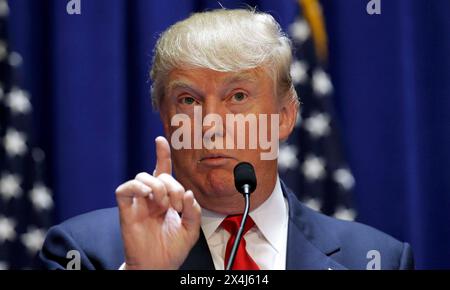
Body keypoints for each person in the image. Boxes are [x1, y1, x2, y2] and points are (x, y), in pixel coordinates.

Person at [38, 9, 414, 270]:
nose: (211, 124)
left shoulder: (375, 257)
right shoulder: (82, 251)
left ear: (285, 117)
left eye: (237, 96)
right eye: (189, 100)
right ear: (167, 120)